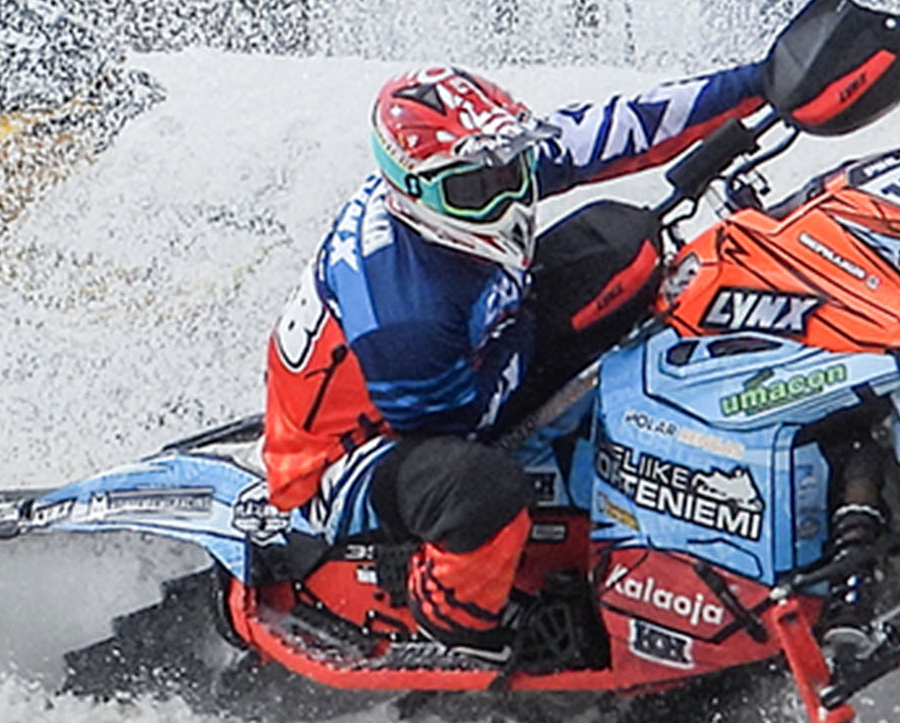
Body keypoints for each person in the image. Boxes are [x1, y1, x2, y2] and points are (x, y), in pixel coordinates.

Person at [263, 51, 824, 657]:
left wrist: (764, 80)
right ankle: (456, 622)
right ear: (414, 193)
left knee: (628, 250)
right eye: (478, 190)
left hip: (467, 347)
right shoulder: (404, 317)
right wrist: (590, 327)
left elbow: (623, 127)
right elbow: (466, 426)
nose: (505, 198)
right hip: (353, 455)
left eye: (513, 172)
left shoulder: (469, 170)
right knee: (480, 492)